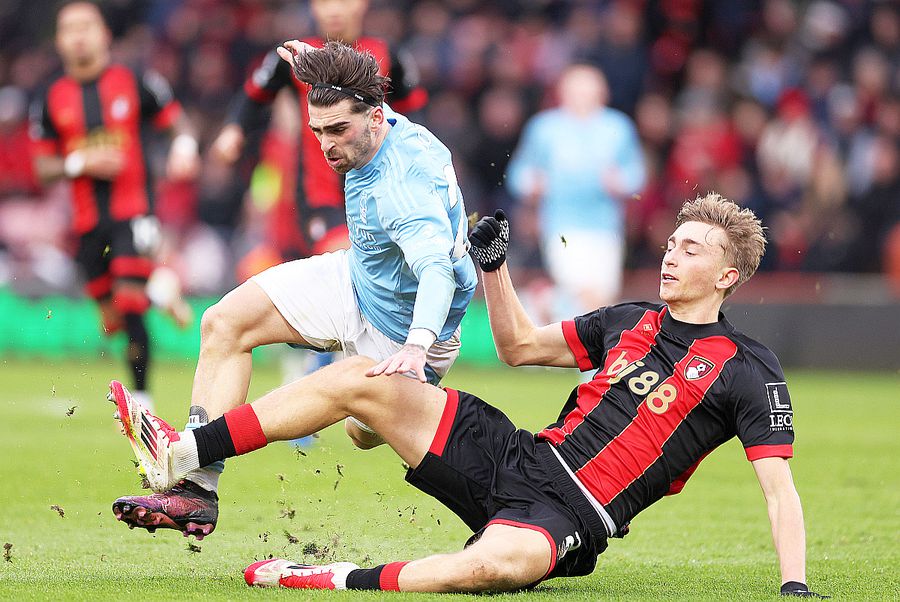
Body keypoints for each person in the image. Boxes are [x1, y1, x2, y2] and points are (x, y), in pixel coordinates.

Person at [110, 193, 827, 598]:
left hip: (571, 513)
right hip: (515, 455)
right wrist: (495, 267)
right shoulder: (627, 319)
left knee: (495, 567)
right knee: (365, 378)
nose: (671, 254)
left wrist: (793, 586)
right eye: (672, 242)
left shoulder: (748, 369)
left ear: (728, 276)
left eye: (691, 249)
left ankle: (325, 577)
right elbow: (520, 348)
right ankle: (185, 457)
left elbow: (779, 490)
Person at [110, 40, 476, 539]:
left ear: (373, 119)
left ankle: (420, 411)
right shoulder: (378, 120)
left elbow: (437, 270)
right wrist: (319, 67)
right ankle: (195, 489)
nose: (326, 145)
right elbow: (353, 94)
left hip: (406, 335)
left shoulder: (402, 188)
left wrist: (417, 346)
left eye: (338, 130)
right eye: (317, 131)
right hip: (358, 279)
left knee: (359, 432)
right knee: (224, 322)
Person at [29, 1, 199, 407]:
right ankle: (160, 289)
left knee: (129, 303)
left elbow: (177, 123)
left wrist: (184, 148)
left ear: (104, 34)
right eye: (69, 28)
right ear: (59, 41)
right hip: (87, 224)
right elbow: (42, 168)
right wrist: (79, 162)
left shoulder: (135, 79)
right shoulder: (51, 96)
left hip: (135, 213)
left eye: (86, 26)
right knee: (112, 321)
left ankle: (142, 402)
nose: (79, 36)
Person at [506, 63, 645, 320]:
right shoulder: (545, 128)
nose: (582, 96)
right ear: (563, 92)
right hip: (562, 223)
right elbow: (518, 175)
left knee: (603, 296)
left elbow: (637, 176)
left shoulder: (617, 127)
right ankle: (544, 312)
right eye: (576, 90)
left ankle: (540, 305)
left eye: (588, 90)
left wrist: (619, 182)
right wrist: (534, 183)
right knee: (579, 290)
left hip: (606, 224)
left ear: (602, 92)